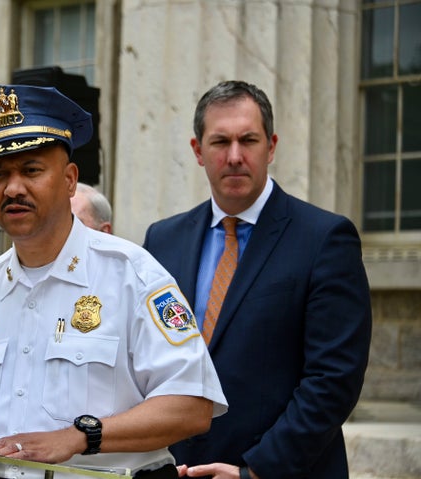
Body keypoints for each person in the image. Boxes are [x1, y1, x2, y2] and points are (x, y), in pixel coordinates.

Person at [0, 84, 227, 479]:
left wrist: (78, 437)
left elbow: (192, 404)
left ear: (70, 180)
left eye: (31, 170)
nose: (13, 188)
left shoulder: (131, 274)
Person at [143, 80, 372, 479]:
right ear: (198, 151)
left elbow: (333, 380)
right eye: (220, 142)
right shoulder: (162, 240)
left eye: (248, 140)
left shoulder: (324, 239)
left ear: (271, 146)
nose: (234, 156)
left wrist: (255, 471)